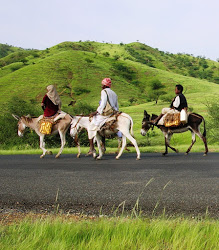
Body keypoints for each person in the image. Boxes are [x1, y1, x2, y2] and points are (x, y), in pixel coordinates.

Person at [88, 78, 119, 152]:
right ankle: (102, 145)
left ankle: (92, 148)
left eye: (102, 85)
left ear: (105, 85)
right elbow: (116, 105)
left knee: (91, 126)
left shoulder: (103, 92)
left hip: (106, 113)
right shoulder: (114, 93)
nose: (101, 86)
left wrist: (96, 112)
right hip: (113, 113)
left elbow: (103, 103)